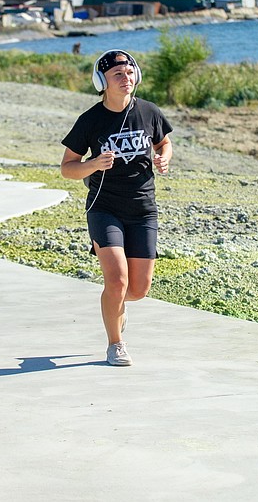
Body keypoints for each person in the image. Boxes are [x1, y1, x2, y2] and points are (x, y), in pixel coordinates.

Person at [60, 49, 173, 367]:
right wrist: (94, 163)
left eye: (129, 73)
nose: (126, 79)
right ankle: (116, 344)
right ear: (102, 82)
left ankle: (114, 308)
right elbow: (68, 168)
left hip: (143, 209)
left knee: (138, 289)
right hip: (104, 208)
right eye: (117, 75)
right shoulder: (90, 121)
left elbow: (163, 142)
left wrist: (164, 157)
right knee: (117, 281)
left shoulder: (149, 111)